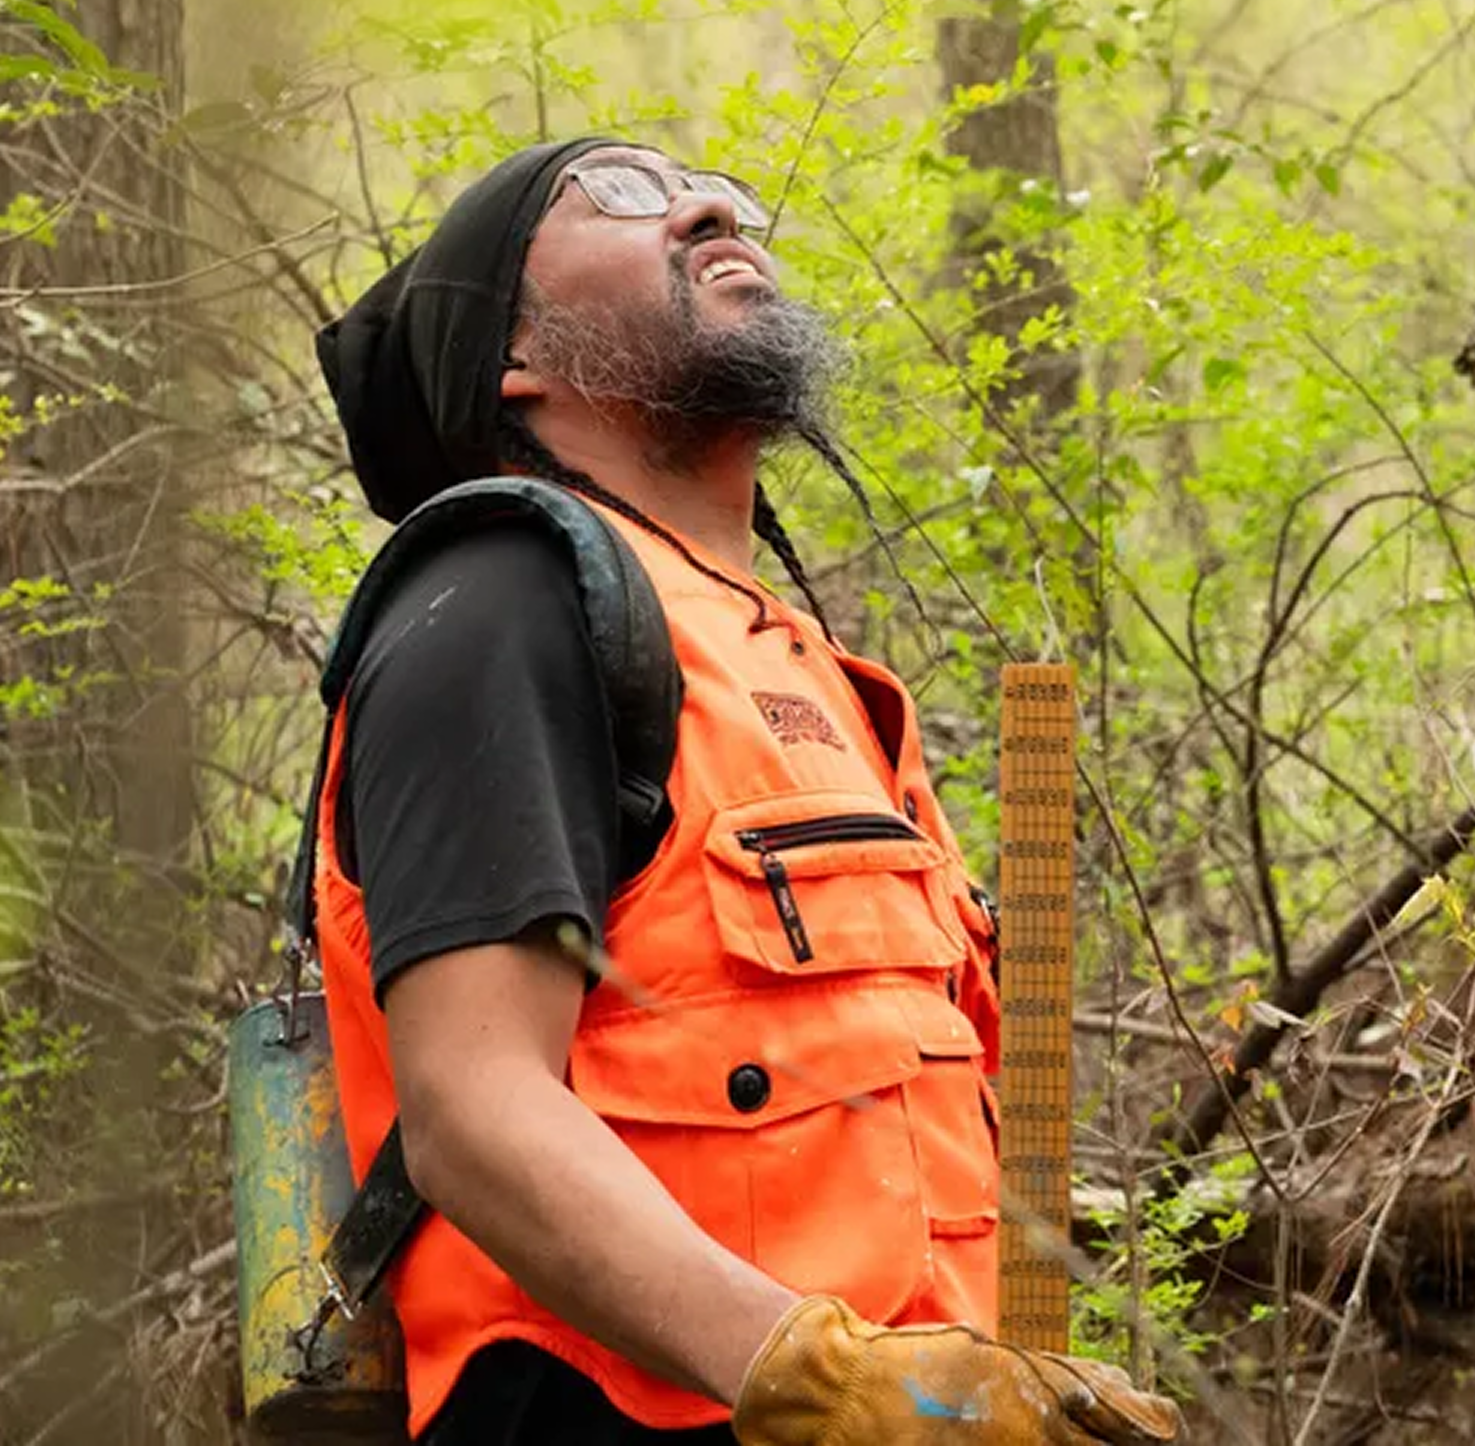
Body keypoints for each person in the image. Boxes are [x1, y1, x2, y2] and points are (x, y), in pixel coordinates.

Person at [310, 135, 1180, 1445]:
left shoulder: (814, 672)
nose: (711, 205)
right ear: (516, 354)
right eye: (620, 193)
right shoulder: (499, 597)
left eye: (711, 188)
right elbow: (473, 1109)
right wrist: (828, 1380)